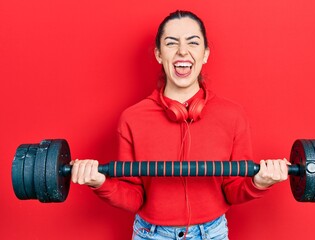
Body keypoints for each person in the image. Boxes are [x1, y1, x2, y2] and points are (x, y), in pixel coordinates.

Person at [71, 10, 289, 240]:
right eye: (171, 43)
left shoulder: (233, 115)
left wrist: (259, 182)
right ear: (158, 54)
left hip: (212, 233)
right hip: (151, 234)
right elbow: (134, 197)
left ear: (205, 54)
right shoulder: (132, 118)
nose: (182, 51)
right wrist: (99, 182)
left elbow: (233, 191)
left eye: (193, 43)